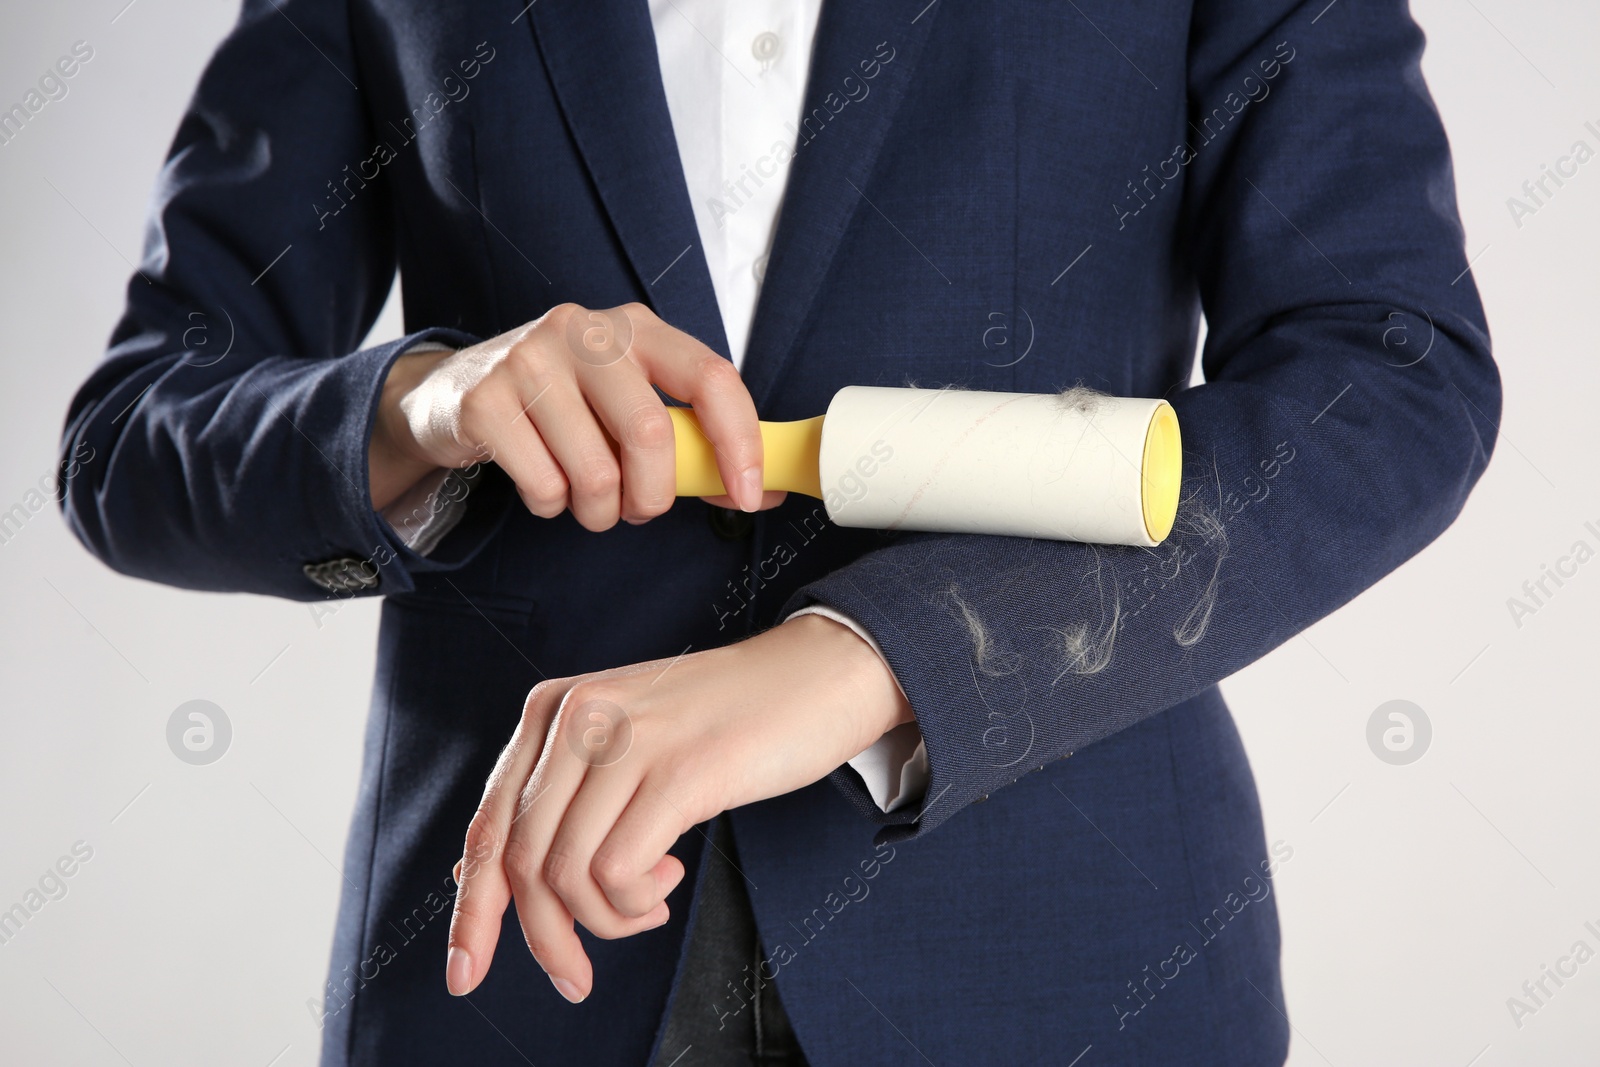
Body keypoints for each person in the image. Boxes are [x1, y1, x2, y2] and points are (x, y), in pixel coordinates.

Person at [59, 0, 1500, 1064]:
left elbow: (1391, 376)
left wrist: (878, 657)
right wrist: (425, 405)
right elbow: (131, 435)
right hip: (509, 969)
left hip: (1069, 961)